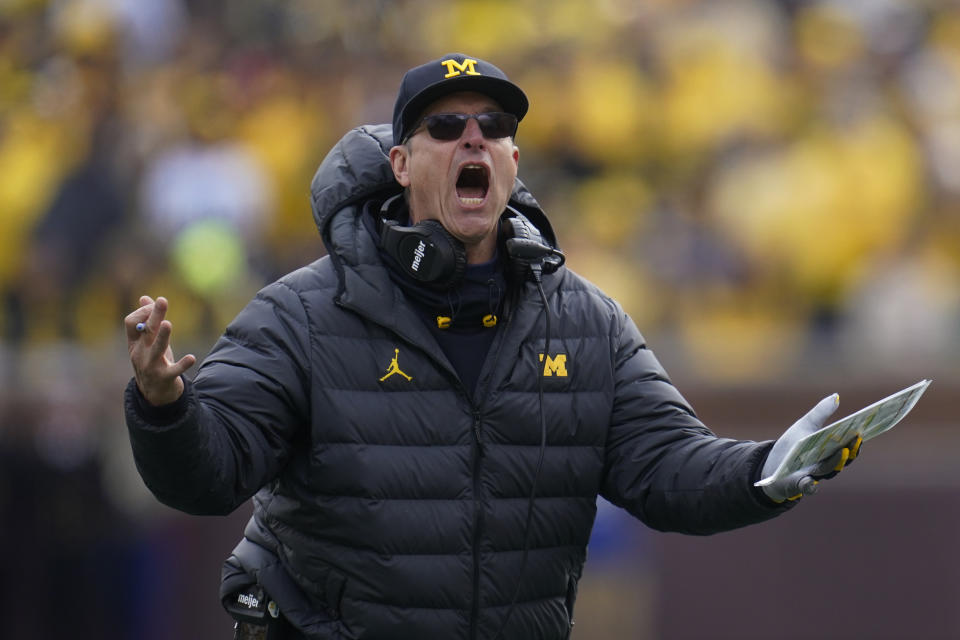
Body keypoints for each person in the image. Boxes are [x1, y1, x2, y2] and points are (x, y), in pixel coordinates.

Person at [123, 54, 861, 640]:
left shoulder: (585, 321)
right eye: (444, 128)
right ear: (402, 166)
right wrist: (166, 409)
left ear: (512, 162)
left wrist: (773, 470)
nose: (473, 136)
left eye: (494, 124)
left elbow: (670, 469)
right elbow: (207, 477)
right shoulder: (304, 313)